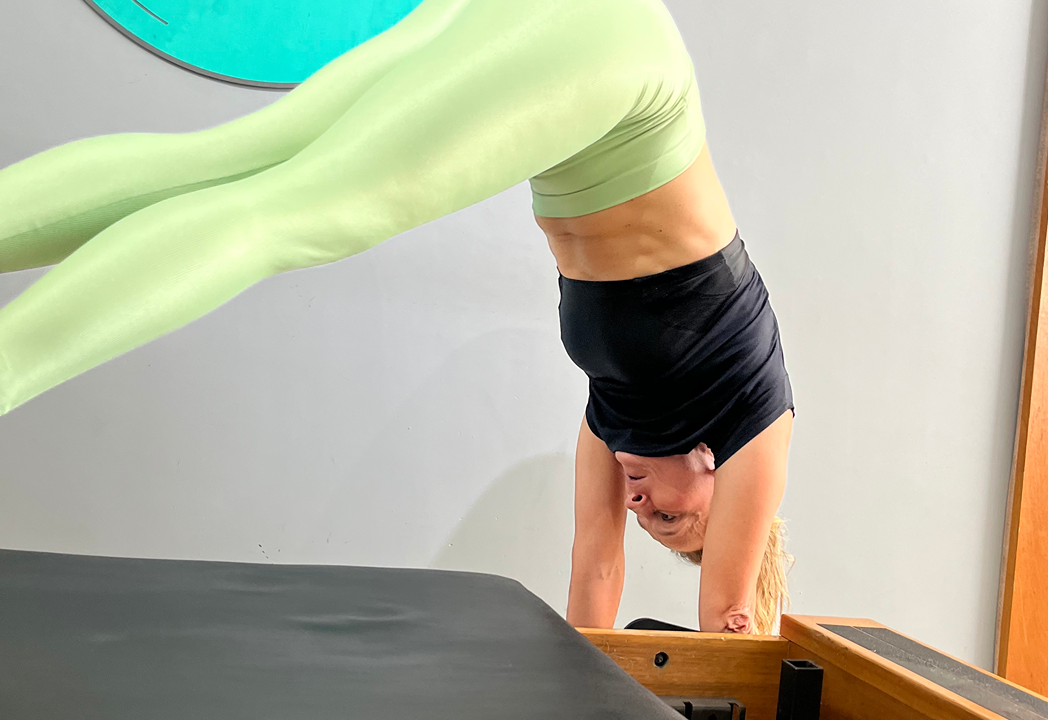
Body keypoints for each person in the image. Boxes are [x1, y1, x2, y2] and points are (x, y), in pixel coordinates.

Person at [0, 0, 794, 633]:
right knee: (294, 216)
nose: (640, 507)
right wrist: (741, 643)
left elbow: (595, 568)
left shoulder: (616, 415)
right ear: (717, 473)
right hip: (620, 64)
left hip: (588, 48)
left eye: (649, 521)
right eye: (674, 517)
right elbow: (727, 618)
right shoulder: (755, 408)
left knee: (227, 164)